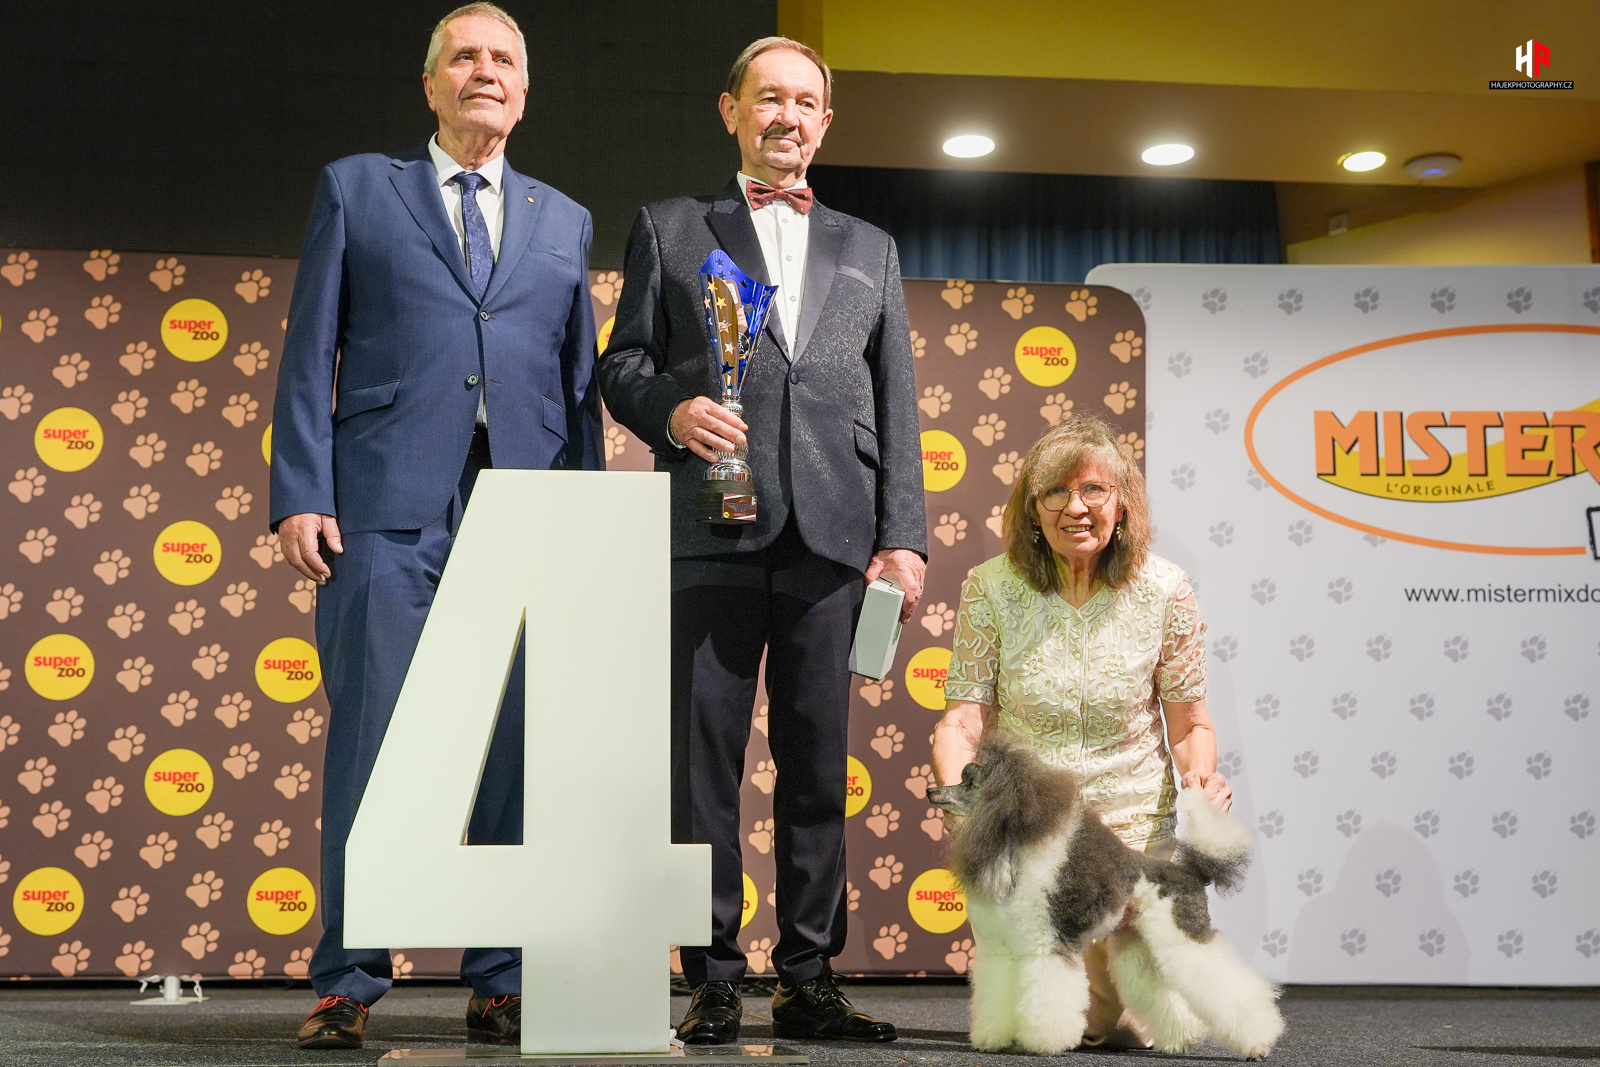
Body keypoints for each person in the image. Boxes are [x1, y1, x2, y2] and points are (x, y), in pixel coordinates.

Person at [269, 2, 601, 1050]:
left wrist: (584, 521)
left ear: (525, 91)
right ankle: (349, 979)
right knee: (374, 744)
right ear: (430, 84)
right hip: (384, 506)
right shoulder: (358, 188)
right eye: (464, 57)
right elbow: (308, 352)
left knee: (515, 747)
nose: (484, 71)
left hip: (527, 508)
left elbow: (579, 385)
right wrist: (302, 491)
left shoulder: (565, 217)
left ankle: (501, 978)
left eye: (503, 59)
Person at [599, 36, 925, 1046]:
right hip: (710, 527)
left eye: (804, 101)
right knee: (701, 764)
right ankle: (711, 976)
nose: (787, 115)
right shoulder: (668, 227)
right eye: (768, 97)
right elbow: (622, 365)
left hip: (834, 538)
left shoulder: (871, 246)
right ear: (731, 110)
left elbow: (896, 398)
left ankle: (809, 975)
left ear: (825, 121)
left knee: (819, 765)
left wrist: (903, 537)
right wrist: (670, 410)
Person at [931, 414, 1232, 1050]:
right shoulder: (991, 587)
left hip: (1128, 845)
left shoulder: (1166, 589)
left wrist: (1202, 781)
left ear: (1122, 504)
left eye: (1094, 489)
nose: (1076, 507)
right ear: (1032, 509)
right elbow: (961, 721)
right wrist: (966, 807)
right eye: (1056, 492)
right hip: (1028, 834)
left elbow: (1191, 726)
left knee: (1123, 1031)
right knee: (1033, 1026)